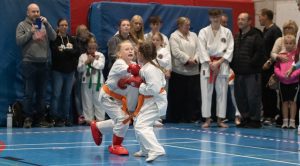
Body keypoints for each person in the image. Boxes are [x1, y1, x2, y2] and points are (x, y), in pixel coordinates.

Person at [90, 40, 142, 155]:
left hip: (118, 99)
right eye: (127, 49)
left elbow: (134, 84)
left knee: (123, 119)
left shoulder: (133, 64)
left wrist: (131, 109)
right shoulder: (119, 63)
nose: (130, 51)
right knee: (123, 119)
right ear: (119, 54)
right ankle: (116, 145)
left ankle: (98, 127)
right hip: (108, 96)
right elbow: (133, 70)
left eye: (132, 49)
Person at [16, 3, 56, 128]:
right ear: (28, 13)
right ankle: (27, 118)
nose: (36, 14)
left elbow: (54, 37)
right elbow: (19, 41)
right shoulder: (22, 25)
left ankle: (40, 119)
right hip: (29, 64)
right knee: (28, 93)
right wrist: (30, 32)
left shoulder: (43, 24)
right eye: (33, 12)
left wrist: (48, 24)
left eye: (37, 11)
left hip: (43, 64)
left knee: (42, 94)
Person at [198, 9, 234, 128]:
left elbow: (230, 49)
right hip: (207, 65)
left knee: (222, 92)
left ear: (221, 16)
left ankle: (220, 119)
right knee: (206, 93)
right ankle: (207, 119)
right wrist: (210, 63)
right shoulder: (203, 32)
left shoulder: (227, 32)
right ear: (210, 18)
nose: (215, 18)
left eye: (217, 16)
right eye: (213, 16)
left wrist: (218, 62)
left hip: (222, 64)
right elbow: (201, 49)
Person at [230, 13, 266, 128]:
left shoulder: (256, 35)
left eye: (243, 19)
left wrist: (251, 64)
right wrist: (233, 65)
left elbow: (260, 53)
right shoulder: (236, 36)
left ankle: (255, 120)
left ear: (249, 22)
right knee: (240, 97)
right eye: (238, 19)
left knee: (253, 97)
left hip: (252, 73)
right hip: (239, 72)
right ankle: (245, 118)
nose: (240, 21)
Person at [133, 42, 166, 162]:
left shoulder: (150, 69)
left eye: (137, 53)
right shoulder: (148, 66)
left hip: (155, 101)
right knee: (138, 121)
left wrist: (140, 85)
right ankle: (145, 149)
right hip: (149, 100)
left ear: (141, 54)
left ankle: (156, 149)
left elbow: (154, 89)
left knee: (142, 125)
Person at [166, 17, 201, 123]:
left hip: (194, 71)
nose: (188, 27)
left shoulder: (194, 35)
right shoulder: (174, 36)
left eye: (189, 25)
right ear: (180, 26)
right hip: (179, 72)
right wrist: (187, 60)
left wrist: (195, 60)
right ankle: (178, 117)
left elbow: (199, 49)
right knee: (179, 96)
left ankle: (191, 117)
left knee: (192, 97)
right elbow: (175, 52)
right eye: (186, 25)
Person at [49, 18, 79, 127]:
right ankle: (54, 118)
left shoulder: (72, 39)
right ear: (58, 27)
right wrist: (69, 52)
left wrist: (65, 51)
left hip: (70, 72)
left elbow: (77, 52)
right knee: (56, 95)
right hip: (58, 71)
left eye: (66, 25)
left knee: (67, 96)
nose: (64, 27)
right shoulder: (54, 39)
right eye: (62, 25)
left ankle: (65, 117)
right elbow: (56, 54)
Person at [259, 8, 282, 125]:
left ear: (266, 16)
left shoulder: (275, 30)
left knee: (270, 90)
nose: (259, 18)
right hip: (262, 67)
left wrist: (269, 62)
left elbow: (277, 50)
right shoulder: (264, 30)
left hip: (271, 66)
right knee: (264, 91)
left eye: (260, 16)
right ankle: (267, 114)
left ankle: (272, 115)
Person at [274, 35, 300, 129]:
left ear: (294, 44)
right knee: (284, 101)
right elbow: (276, 67)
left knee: (293, 101)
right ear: (284, 44)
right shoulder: (281, 55)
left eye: (291, 43)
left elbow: (298, 67)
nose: (288, 45)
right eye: (286, 43)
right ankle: (285, 121)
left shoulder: (296, 55)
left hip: (294, 82)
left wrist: (292, 75)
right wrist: (280, 75)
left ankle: (292, 121)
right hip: (282, 82)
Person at [77, 37, 105, 124]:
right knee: (87, 100)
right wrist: (86, 62)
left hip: (98, 81)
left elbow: (101, 66)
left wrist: (92, 61)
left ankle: (100, 119)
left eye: (93, 48)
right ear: (86, 47)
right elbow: (79, 69)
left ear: (96, 47)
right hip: (86, 81)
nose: (91, 50)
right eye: (89, 48)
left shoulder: (100, 55)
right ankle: (89, 120)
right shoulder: (82, 56)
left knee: (99, 100)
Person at [73, 24, 95, 125]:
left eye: (86, 30)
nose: (85, 32)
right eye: (82, 31)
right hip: (78, 69)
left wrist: (90, 35)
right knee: (78, 92)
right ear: (78, 33)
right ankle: (81, 115)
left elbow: (94, 48)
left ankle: (90, 115)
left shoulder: (90, 40)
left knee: (89, 93)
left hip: (90, 70)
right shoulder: (74, 41)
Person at [151, 32, 172, 127]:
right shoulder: (148, 51)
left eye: (157, 40)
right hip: (150, 76)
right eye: (153, 40)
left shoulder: (164, 51)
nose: (155, 42)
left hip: (160, 76)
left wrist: (155, 59)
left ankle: (159, 118)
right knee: (151, 97)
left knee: (160, 97)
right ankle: (151, 118)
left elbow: (165, 62)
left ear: (161, 41)